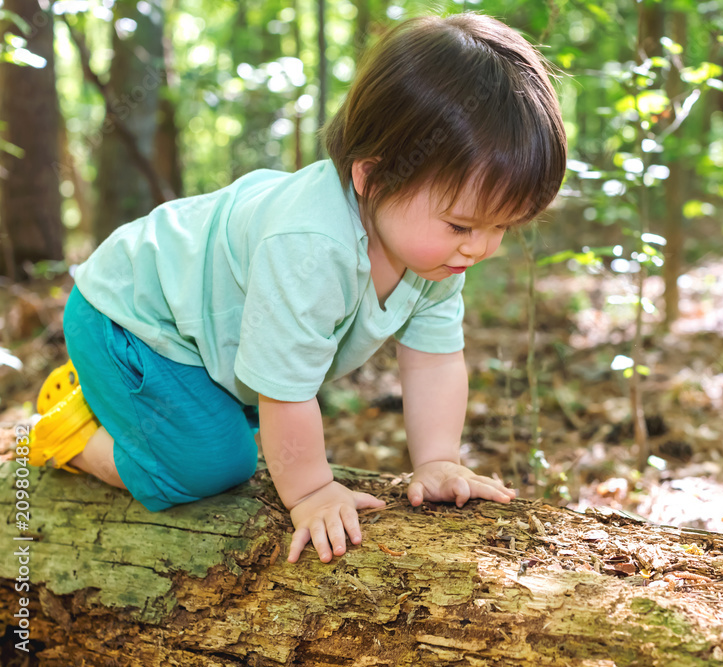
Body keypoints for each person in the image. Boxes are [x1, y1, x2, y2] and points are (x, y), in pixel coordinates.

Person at [27, 12, 566, 564]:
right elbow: (286, 390)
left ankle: (123, 404)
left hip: (200, 340)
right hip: (132, 319)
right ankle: (65, 432)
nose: (480, 248)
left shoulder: (436, 256)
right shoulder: (312, 245)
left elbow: (433, 358)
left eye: (501, 226)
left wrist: (437, 461)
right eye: (462, 225)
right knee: (213, 465)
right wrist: (310, 492)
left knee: (244, 420)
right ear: (373, 178)